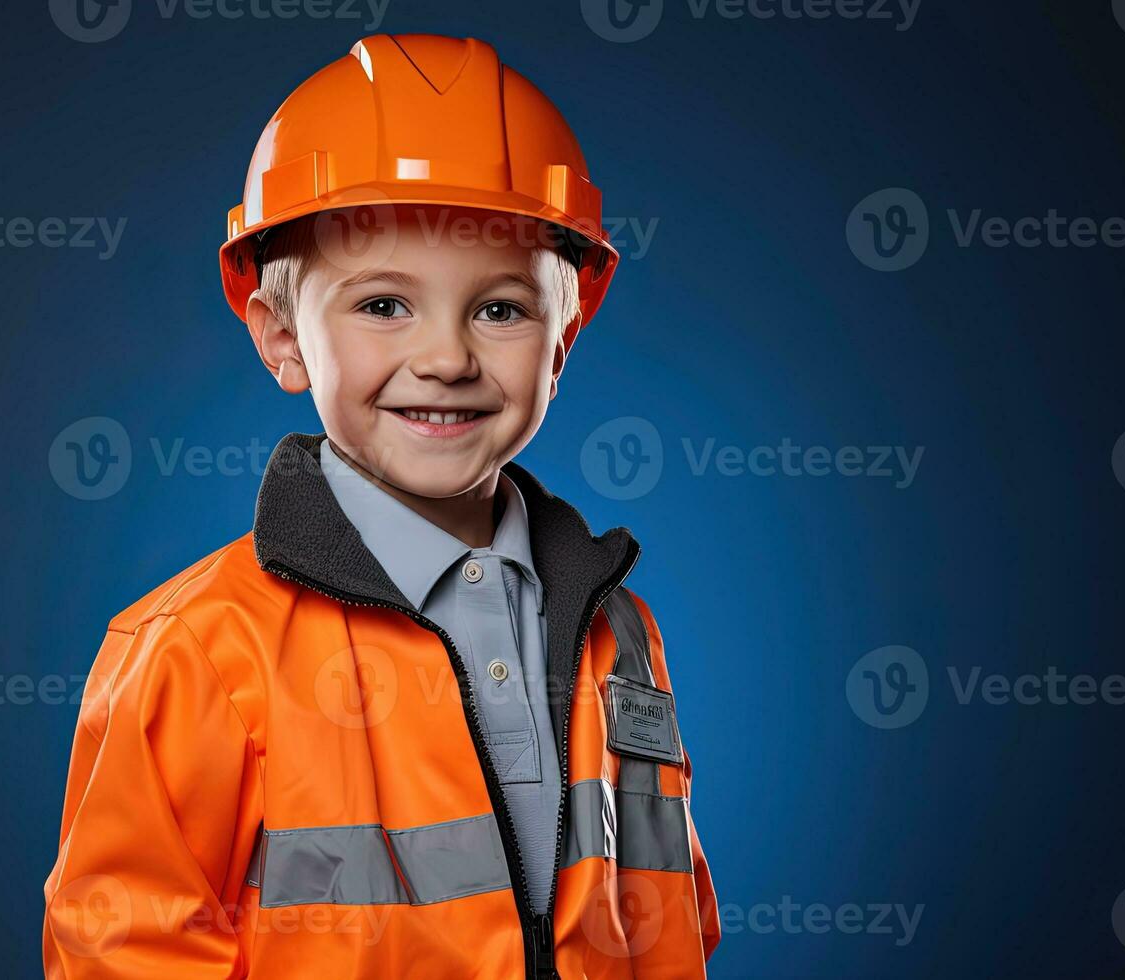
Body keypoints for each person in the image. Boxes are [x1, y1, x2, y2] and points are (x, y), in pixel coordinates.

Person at [43, 32, 720, 980]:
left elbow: (670, 925)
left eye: (501, 309)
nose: (446, 358)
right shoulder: (200, 648)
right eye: (383, 306)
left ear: (563, 339)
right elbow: (120, 949)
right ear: (281, 337)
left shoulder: (620, 629)